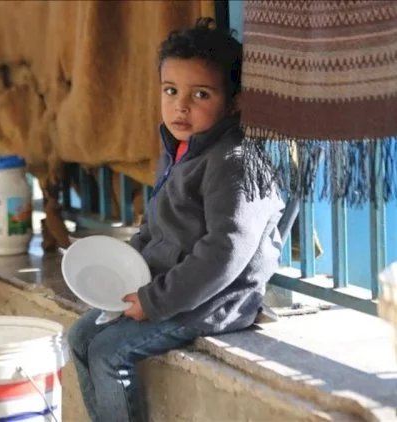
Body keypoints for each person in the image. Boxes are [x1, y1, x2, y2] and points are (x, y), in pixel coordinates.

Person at [68, 17, 285, 422]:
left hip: (214, 301)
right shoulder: (183, 148)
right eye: (171, 91)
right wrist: (124, 272)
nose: (180, 106)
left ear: (234, 102)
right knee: (79, 336)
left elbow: (224, 252)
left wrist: (154, 301)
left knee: (107, 352)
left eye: (200, 94)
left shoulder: (234, 162)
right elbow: (155, 224)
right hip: (168, 287)